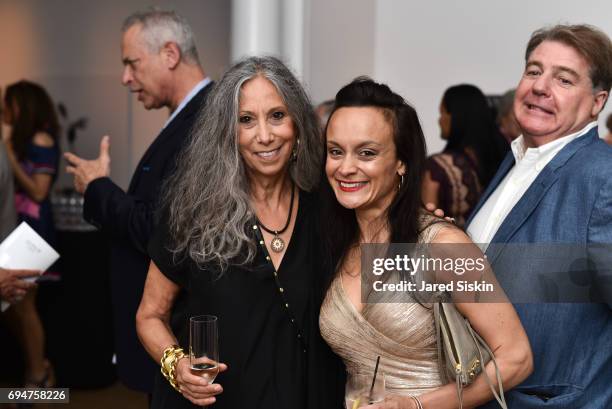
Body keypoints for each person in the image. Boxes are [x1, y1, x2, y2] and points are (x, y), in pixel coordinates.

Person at [136, 56, 345, 409]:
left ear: (297, 123)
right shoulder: (192, 212)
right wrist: (176, 365)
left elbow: (388, 281)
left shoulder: (329, 210)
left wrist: (435, 233)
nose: (264, 135)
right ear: (228, 133)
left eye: (277, 116)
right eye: (246, 120)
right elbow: (149, 315)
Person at [318, 78, 533, 409]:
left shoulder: (444, 244)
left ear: (401, 161)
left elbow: (517, 358)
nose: (346, 167)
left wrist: (417, 405)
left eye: (367, 152)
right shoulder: (333, 243)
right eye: (336, 151)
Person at [64, 9, 214, 394]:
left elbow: (158, 229)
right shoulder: (190, 117)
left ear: (169, 54)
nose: (125, 78)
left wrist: (97, 187)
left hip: (177, 331)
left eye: (132, 63)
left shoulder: (203, 123)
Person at [466, 24, 612, 408]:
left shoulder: (603, 178)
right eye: (534, 71)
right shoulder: (516, 161)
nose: (540, 87)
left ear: (598, 102)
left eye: (564, 79)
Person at [2, 80, 61, 388]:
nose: (4, 110)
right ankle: (37, 369)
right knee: (13, 304)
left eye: (8, 104)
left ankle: (38, 375)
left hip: (31, 233)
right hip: (16, 229)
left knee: (24, 306)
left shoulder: (40, 139)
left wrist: (9, 153)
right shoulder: (25, 139)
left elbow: (39, 191)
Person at [422, 84, 508, 227]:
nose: (440, 120)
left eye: (443, 112)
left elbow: (426, 226)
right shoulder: (502, 158)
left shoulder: (436, 168)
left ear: (456, 116)